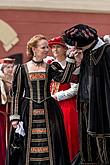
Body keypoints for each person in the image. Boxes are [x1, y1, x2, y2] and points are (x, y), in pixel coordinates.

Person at [6, 34, 77, 165]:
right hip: (28, 111)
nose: (47, 50)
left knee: (52, 144)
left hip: (49, 110)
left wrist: (71, 60)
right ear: (34, 49)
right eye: (43, 47)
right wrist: (15, 117)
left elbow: (64, 79)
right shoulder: (22, 69)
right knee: (27, 145)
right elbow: (16, 93)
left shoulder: (51, 66)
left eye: (46, 48)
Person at [62, 24, 110, 165]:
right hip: (84, 104)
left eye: (77, 46)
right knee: (87, 147)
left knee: (103, 143)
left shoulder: (106, 52)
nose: (75, 49)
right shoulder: (86, 53)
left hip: (102, 107)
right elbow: (77, 79)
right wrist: (78, 62)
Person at [48, 36, 80, 162]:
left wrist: (57, 96)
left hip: (67, 105)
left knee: (68, 134)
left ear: (65, 49)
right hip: (51, 104)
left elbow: (75, 88)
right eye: (53, 47)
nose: (55, 49)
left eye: (58, 47)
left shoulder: (71, 65)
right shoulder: (49, 64)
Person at [0, 57, 15, 165]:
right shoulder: (1, 81)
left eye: (11, 67)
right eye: (7, 67)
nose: (10, 69)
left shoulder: (15, 79)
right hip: (2, 116)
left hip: (12, 115)